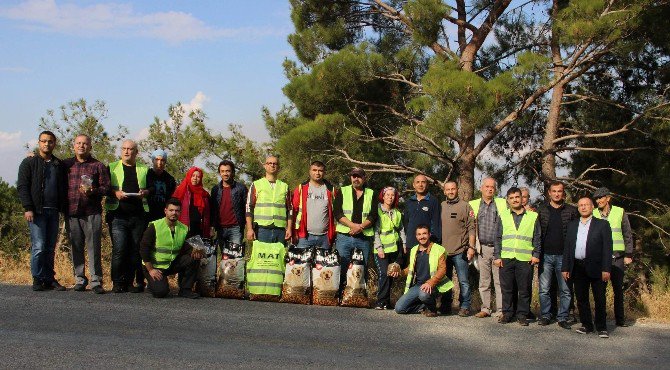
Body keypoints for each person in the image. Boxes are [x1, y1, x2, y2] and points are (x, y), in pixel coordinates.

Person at [17, 130, 67, 291]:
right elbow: (22, 186)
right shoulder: (29, 162)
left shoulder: (58, 164)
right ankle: (37, 278)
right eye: (44, 141)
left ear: (54, 144)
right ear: (39, 143)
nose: (47, 144)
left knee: (50, 247)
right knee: (39, 246)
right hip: (37, 211)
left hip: (53, 211)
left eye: (50, 141)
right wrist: (28, 208)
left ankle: (49, 278)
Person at [62, 134, 110, 294]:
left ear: (90, 146)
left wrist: (93, 191)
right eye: (78, 143)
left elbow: (106, 188)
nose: (81, 146)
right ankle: (80, 279)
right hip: (72, 211)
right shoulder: (66, 165)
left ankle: (96, 281)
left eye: (85, 144)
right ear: (73, 145)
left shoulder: (98, 166)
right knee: (76, 247)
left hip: (92, 212)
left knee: (94, 247)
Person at [562, 196, 613, 338]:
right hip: (578, 267)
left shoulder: (602, 225)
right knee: (581, 298)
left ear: (592, 207)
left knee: (600, 298)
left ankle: (601, 327)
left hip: (597, 268)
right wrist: (565, 267)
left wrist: (606, 269)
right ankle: (587, 325)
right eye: (580, 205)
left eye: (586, 205)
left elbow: (607, 249)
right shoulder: (572, 225)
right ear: (578, 208)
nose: (583, 207)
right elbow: (567, 248)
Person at [105, 139, 150, 293]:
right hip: (118, 216)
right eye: (124, 148)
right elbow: (105, 187)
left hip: (138, 216)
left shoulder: (144, 169)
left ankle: (130, 282)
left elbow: (151, 188)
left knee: (134, 250)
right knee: (119, 249)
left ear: (136, 152)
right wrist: (115, 193)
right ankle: (117, 282)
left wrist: (145, 192)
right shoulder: (112, 167)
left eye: (130, 149)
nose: (126, 151)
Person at [494, 187, 541, 326]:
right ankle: (507, 313)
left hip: (525, 258)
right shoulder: (503, 215)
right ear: (508, 200)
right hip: (506, 257)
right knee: (507, 288)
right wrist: (497, 256)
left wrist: (536, 254)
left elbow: (537, 237)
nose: (515, 200)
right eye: (512, 198)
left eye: (517, 197)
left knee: (524, 288)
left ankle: (522, 314)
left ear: (522, 198)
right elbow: (497, 237)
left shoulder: (533, 216)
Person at [139, 198, 203, 299]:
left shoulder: (184, 228)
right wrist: (150, 269)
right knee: (161, 292)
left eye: (177, 211)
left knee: (193, 258)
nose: (174, 213)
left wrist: (196, 250)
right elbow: (143, 248)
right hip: (155, 267)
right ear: (165, 211)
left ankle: (185, 289)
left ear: (180, 212)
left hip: (172, 264)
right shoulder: (155, 226)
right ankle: (152, 285)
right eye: (171, 210)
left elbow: (188, 248)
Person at [537, 181, 579, 328]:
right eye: (554, 191)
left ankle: (562, 317)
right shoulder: (542, 210)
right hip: (545, 256)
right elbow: (537, 234)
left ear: (563, 193)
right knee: (544, 289)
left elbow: (576, 235)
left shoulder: (572, 211)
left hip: (564, 256)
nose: (556, 194)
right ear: (549, 193)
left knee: (566, 290)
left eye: (559, 191)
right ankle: (546, 315)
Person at [592, 187, 634, 327]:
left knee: (618, 291)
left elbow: (627, 234)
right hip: (600, 258)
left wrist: (628, 254)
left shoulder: (619, 212)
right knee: (600, 291)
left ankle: (620, 320)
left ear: (608, 198)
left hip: (618, 257)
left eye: (601, 197)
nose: (598, 200)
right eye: (596, 198)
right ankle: (600, 319)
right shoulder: (593, 214)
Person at [395, 225, 452, 317]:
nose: (422, 236)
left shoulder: (439, 249)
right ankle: (423, 307)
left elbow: (442, 270)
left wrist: (430, 283)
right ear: (416, 236)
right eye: (419, 234)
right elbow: (410, 269)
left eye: (424, 233)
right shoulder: (414, 250)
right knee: (399, 308)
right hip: (418, 285)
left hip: (434, 285)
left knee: (423, 295)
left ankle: (432, 308)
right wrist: (399, 273)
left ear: (429, 234)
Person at [470, 177, 507, 318]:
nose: (489, 189)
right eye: (486, 186)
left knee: (499, 281)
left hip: (499, 248)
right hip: (482, 248)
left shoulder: (501, 203)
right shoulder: (473, 204)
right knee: (484, 281)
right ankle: (485, 309)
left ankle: (501, 310)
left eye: (492, 187)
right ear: (481, 188)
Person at [333, 167, 377, 285]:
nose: (356, 179)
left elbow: (373, 215)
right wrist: (353, 226)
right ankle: (340, 296)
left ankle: (358, 298)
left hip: (364, 238)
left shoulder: (371, 193)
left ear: (364, 178)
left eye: (359, 176)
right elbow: (337, 213)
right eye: (354, 176)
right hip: (344, 237)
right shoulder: (342, 191)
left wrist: (360, 227)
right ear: (350, 177)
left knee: (362, 270)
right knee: (341, 268)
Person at [440, 181, 476, 316]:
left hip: (460, 250)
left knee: (464, 281)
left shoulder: (466, 207)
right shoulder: (441, 206)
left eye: (453, 189)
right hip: (443, 251)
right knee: (445, 280)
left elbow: (472, 228)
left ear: (457, 190)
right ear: (444, 191)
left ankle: (465, 306)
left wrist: (471, 247)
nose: (450, 191)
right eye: (447, 189)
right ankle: (445, 306)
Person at [245, 155, 292, 243]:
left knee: (278, 256)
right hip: (261, 230)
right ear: (265, 165)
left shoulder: (284, 186)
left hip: (280, 230)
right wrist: (249, 229)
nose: (272, 165)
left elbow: (290, 209)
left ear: (278, 167)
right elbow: (249, 207)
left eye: (275, 163)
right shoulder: (256, 184)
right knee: (262, 256)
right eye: (269, 163)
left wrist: (289, 229)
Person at [373, 186, 406, 310]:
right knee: (384, 274)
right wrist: (379, 247)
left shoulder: (397, 212)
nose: (390, 197)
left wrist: (403, 244)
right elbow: (375, 230)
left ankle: (387, 302)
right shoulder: (377, 210)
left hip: (394, 248)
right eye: (387, 195)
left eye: (392, 195)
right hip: (381, 249)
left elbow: (401, 229)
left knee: (392, 274)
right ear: (383, 196)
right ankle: (380, 301)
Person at [291, 161, 336, 250]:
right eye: (314, 170)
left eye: (320, 170)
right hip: (304, 237)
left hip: (325, 238)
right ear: (310, 171)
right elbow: (293, 211)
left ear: (324, 172)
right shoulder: (301, 188)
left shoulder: (331, 190)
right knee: (302, 264)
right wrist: (293, 232)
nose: (317, 173)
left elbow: (336, 214)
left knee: (323, 264)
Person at [210, 159, 247, 261]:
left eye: (228, 171)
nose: (225, 174)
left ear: (233, 172)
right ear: (219, 173)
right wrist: (212, 226)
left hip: (235, 228)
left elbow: (247, 208)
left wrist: (247, 225)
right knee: (225, 258)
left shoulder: (241, 188)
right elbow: (213, 209)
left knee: (235, 258)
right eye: (222, 171)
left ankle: (236, 277)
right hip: (220, 229)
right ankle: (225, 277)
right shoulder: (215, 189)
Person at [403, 175, 441, 255]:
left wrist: (433, 244)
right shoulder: (409, 202)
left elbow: (436, 224)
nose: (420, 185)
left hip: (427, 246)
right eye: (418, 182)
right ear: (414, 185)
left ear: (427, 185)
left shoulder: (433, 201)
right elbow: (406, 224)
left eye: (423, 182)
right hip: (411, 245)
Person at [172, 167, 211, 239]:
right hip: (183, 228)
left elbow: (208, 214)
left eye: (198, 176)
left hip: (199, 229)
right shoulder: (181, 191)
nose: (195, 178)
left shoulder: (204, 195)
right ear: (189, 176)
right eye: (193, 176)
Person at [146, 149, 176, 222]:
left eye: (162, 160)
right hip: (146, 215)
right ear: (153, 161)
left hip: (162, 217)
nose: (159, 163)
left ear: (165, 162)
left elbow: (170, 199)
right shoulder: (146, 175)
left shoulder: (170, 179)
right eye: (157, 159)